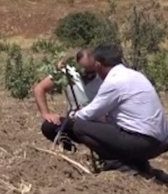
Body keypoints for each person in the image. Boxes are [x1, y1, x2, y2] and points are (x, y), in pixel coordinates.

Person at [48, 44, 168, 173]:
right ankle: (137, 163)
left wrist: (69, 118)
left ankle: (116, 163)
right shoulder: (135, 75)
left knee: (79, 126)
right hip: (160, 141)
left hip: (143, 142)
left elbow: (88, 114)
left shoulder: (114, 81)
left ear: (98, 65)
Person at [36, 49, 103, 146]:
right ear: (77, 66)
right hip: (75, 121)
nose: (89, 75)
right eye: (85, 71)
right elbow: (39, 88)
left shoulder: (104, 76)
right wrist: (46, 113)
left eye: (91, 71)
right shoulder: (68, 73)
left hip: (98, 124)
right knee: (48, 127)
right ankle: (68, 148)